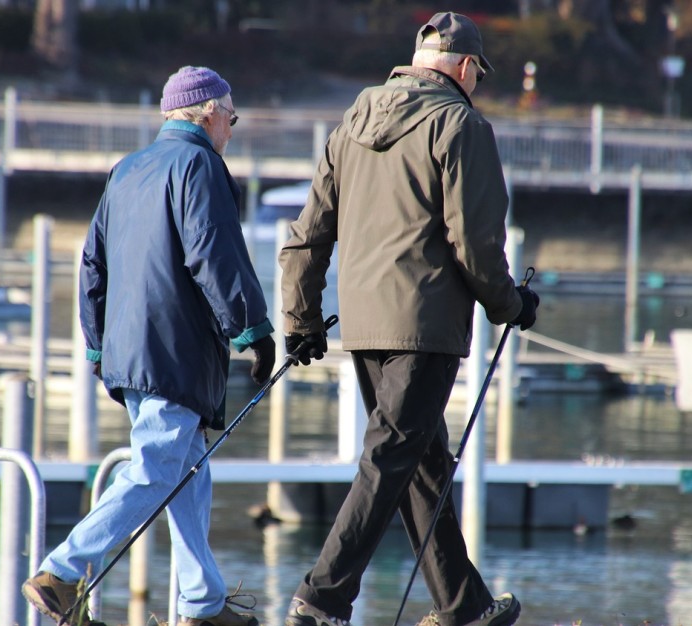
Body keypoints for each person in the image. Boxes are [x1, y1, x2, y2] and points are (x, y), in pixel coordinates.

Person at [278, 12, 538, 626]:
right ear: (467, 67)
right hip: (424, 327)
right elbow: (475, 244)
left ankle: (463, 606)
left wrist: (302, 320)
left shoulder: (353, 118)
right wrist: (511, 305)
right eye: (478, 73)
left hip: (364, 325)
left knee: (420, 463)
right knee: (392, 459)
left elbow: (307, 235)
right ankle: (322, 597)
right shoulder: (462, 125)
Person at [22, 65, 275, 626]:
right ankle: (61, 573)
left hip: (128, 351)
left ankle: (202, 604)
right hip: (174, 349)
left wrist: (96, 344)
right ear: (210, 113)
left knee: (187, 471)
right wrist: (253, 329)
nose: (231, 129)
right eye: (231, 118)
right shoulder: (200, 164)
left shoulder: (128, 169)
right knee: (156, 468)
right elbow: (215, 253)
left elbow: (93, 262)